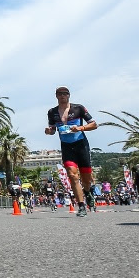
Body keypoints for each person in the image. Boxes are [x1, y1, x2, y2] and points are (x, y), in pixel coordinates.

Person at [45, 86, 98, 216]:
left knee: (86, 179)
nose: (62, 96)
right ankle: (81, 206)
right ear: (56, 96)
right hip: (67, 146)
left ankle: (87, 192)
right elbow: (52, 129)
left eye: (65, 94)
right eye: (60, 94)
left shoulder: (78, 108)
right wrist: (49, 131)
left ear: (69, 95)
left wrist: (80, 128)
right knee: (73, 176)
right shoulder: (52, 112)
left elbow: (94, 124)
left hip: (81, 145)